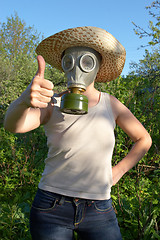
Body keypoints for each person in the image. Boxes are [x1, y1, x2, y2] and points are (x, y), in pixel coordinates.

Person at [4, 27, 152, 240]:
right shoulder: (52, 103)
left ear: (98, 66)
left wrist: (118, 171)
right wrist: (23, 101)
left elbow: (143, 139)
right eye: (69, 62)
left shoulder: (110, 104)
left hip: (99, 208)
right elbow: (13, 126)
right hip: (51, 207)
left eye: (86, 62)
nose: (76, 70)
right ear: (63, 66)